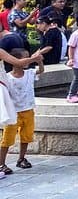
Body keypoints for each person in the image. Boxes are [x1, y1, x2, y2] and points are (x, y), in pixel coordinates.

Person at [0, 47, 42, 175]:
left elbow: (41, 70)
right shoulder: (8, 78)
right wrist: (35, 58)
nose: (28, 60)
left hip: (28, 109)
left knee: (26, 136)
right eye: (26, 57)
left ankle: (21, 158)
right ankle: (1, 163)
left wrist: (39, 61)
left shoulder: (29, 73)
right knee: (7, 138)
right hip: (14, 111)